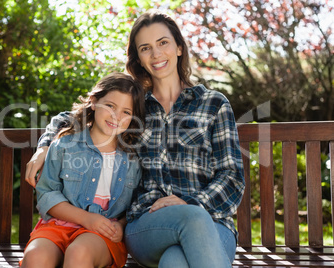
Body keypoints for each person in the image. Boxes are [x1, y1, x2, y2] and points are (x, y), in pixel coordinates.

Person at [26, 10, 245, 268]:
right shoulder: (135, 105)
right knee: (192, 217)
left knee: (175, 261)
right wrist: (44, 147)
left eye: (163, 43)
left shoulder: (214, 105)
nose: (156, 54)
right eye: (145, 48)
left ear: (178, 47)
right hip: (147, 223)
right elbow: (74, 114)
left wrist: (190, 202)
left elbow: (231, 178)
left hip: (212, 222)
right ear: (138, 58)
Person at [21, 72, 146, 268]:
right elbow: (46, 194)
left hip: (102, 232)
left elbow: (136, 204)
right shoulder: (65, 144)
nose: (116, 117)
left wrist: (121, 226)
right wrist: (86, 218)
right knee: (36, 256)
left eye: (126, 112)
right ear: (94, 102)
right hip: (58, 225)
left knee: (79, 253)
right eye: (110, 106)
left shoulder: (133, 158)